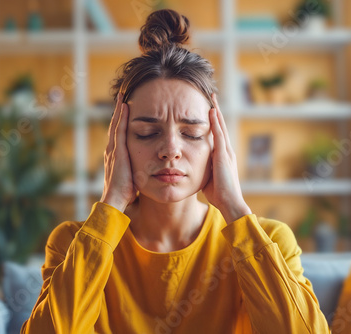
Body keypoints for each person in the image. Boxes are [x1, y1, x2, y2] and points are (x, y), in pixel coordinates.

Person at [21, 9, 330, 334]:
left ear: (216, 143)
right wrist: (110, 205)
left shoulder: (269, 241)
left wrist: (236, 210)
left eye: (192, 133)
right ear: (117, 142)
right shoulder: (72, 243)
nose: (170, 149)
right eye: (145, 132)